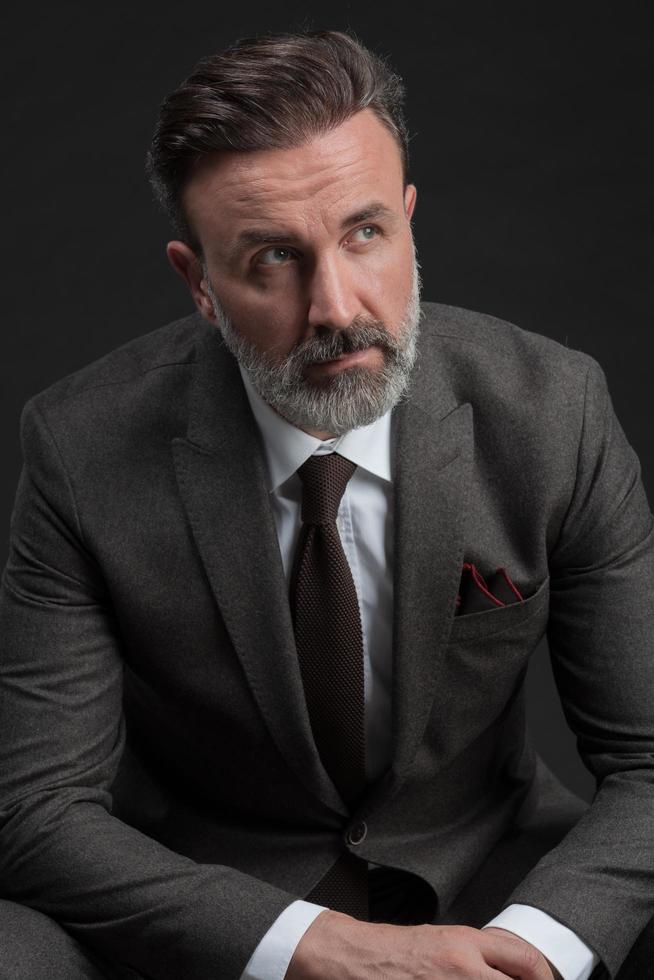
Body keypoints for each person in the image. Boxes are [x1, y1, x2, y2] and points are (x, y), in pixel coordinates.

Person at [0, 28, 652, 980]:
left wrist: (532, 950)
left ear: (410, 221)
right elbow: (34, 807)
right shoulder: (82, 448)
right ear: (200, 283)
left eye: (365, 232)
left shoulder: (555, 411)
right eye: (272, 258)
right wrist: (303, 945)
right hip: (212, 910)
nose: (337, 306)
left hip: (492, 889)